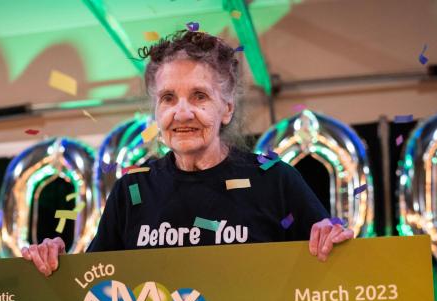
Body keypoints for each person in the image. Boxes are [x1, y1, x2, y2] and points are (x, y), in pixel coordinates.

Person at [22, 30, 353, 276]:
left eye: (199, 96)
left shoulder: (275, 180)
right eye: (168, 98)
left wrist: (333, 238)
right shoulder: (131, 190)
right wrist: (58, 264)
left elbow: (328, 271)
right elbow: (95, 286)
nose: (181, 113)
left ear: (227, 109)